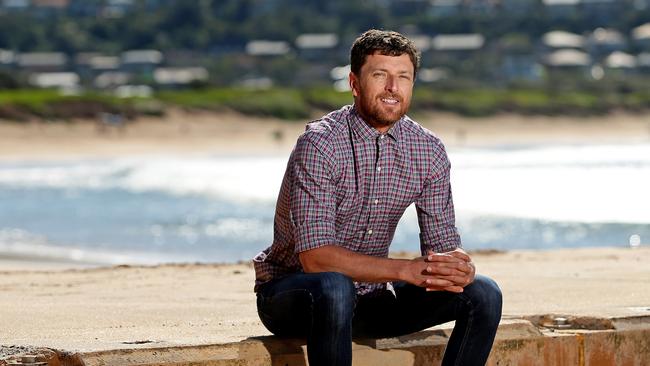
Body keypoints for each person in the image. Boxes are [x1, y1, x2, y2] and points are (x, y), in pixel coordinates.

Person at [253, 29, 502, 366]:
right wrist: (405, 270)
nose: (392, 88)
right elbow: (316, 259)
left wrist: (456, 266)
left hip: (371, 299)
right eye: (380, 75)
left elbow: (440, 247)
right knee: (334, 287)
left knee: (483, 293)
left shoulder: (428, 150)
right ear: (355, 83)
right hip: (296, 298)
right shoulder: (320, 144)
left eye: (403, 77)